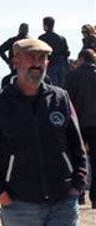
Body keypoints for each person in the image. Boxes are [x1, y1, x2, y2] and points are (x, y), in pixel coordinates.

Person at [0, 39, 86, 225]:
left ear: (48, 63)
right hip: (20, 205)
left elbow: (77, 145)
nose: (37, 63)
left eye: (42, 58)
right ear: (15, 61)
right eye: (30, 57)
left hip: (63, 203)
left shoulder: (60, 98)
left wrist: (78, 184)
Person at [64, 49, 96, 208]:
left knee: (78, 160)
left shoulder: (72, 76)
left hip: (78, 123)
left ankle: (80, 193)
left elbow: (66, 101)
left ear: (81, 59)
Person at [39, 16, 71, 87]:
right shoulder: (61, 38)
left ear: (45, 25)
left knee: (51, 87)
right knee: (62, 87)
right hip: (61, 66)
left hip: (49, 66)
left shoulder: (42, 38)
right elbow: (67, 52)